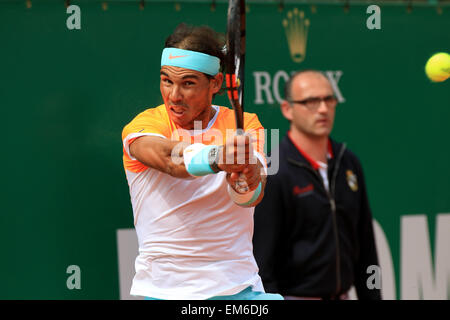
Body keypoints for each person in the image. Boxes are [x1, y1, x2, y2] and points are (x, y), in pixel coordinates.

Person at [121, 23, 283, 300]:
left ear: (216, 83)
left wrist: (244, 180)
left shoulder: (249, 124)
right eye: (166, 80)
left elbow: (252, 196)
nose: (174, 95)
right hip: (164, 291)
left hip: (239, 288)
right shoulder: (143, 126)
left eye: (188, 83)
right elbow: (171, 160)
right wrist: (218, 157)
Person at [252, 70, 381, 300]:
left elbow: (367, 249)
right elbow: (262, 265)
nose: (323, 109)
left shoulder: (348, 162)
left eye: (328, 99)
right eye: (311, 101)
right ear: (287, 109)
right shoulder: (273, 171)